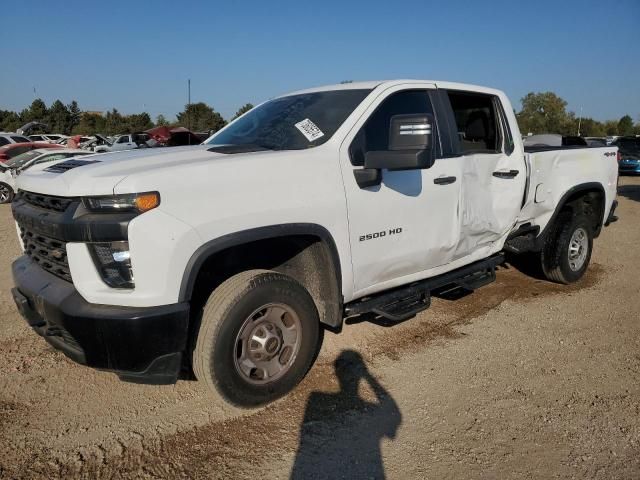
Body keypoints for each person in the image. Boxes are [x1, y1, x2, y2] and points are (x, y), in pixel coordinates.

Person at [290, 350, 401, 479]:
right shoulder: (316, 398)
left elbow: (394, 416)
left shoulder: (314, 398)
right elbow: (393, 416)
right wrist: (367, 375)